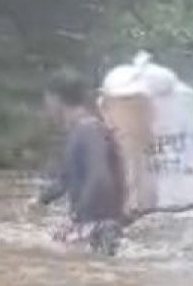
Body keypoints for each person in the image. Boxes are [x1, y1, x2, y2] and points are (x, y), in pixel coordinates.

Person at [34, 71, 127, 256]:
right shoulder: (80, 131)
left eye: (47, 101)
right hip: (94, 225)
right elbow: (65, 181)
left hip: (98, 228)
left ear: (55, 99)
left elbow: (100, 177)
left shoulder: (89, 130)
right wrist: (39, 200)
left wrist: (77, 218)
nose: (46, 107)